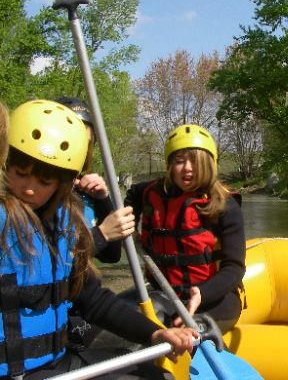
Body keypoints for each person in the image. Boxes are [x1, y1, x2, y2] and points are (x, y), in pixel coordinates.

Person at [0, 99, 198, 379]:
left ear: (62, 185)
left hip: (58, 363)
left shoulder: (63, 223)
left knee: (151, 374)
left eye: (44, 182)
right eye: (20, 174)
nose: (29, 189)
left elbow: (94, 301)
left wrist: (154, 332)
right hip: (16, 373)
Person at [124, 124, 245, 333]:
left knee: (177, 328)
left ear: (209, 165)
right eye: (179, 161)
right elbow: (132, 195)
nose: (187, 168)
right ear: (170, 165)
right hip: (165, 292)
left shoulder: (225, 205)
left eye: (195, 161)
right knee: (120, 314)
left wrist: (203, 293)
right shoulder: (153, 191)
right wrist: (129, 222)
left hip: (215, 299)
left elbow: (235, 267)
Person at [54, 96, 135, 264]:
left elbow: (111, 255)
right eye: (72, 142)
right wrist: (101, 234)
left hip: (84, 288)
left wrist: (102, 201)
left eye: (86, 143)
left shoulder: (83, 191)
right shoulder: (39, 191)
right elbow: (54, 259)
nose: (78, 150)